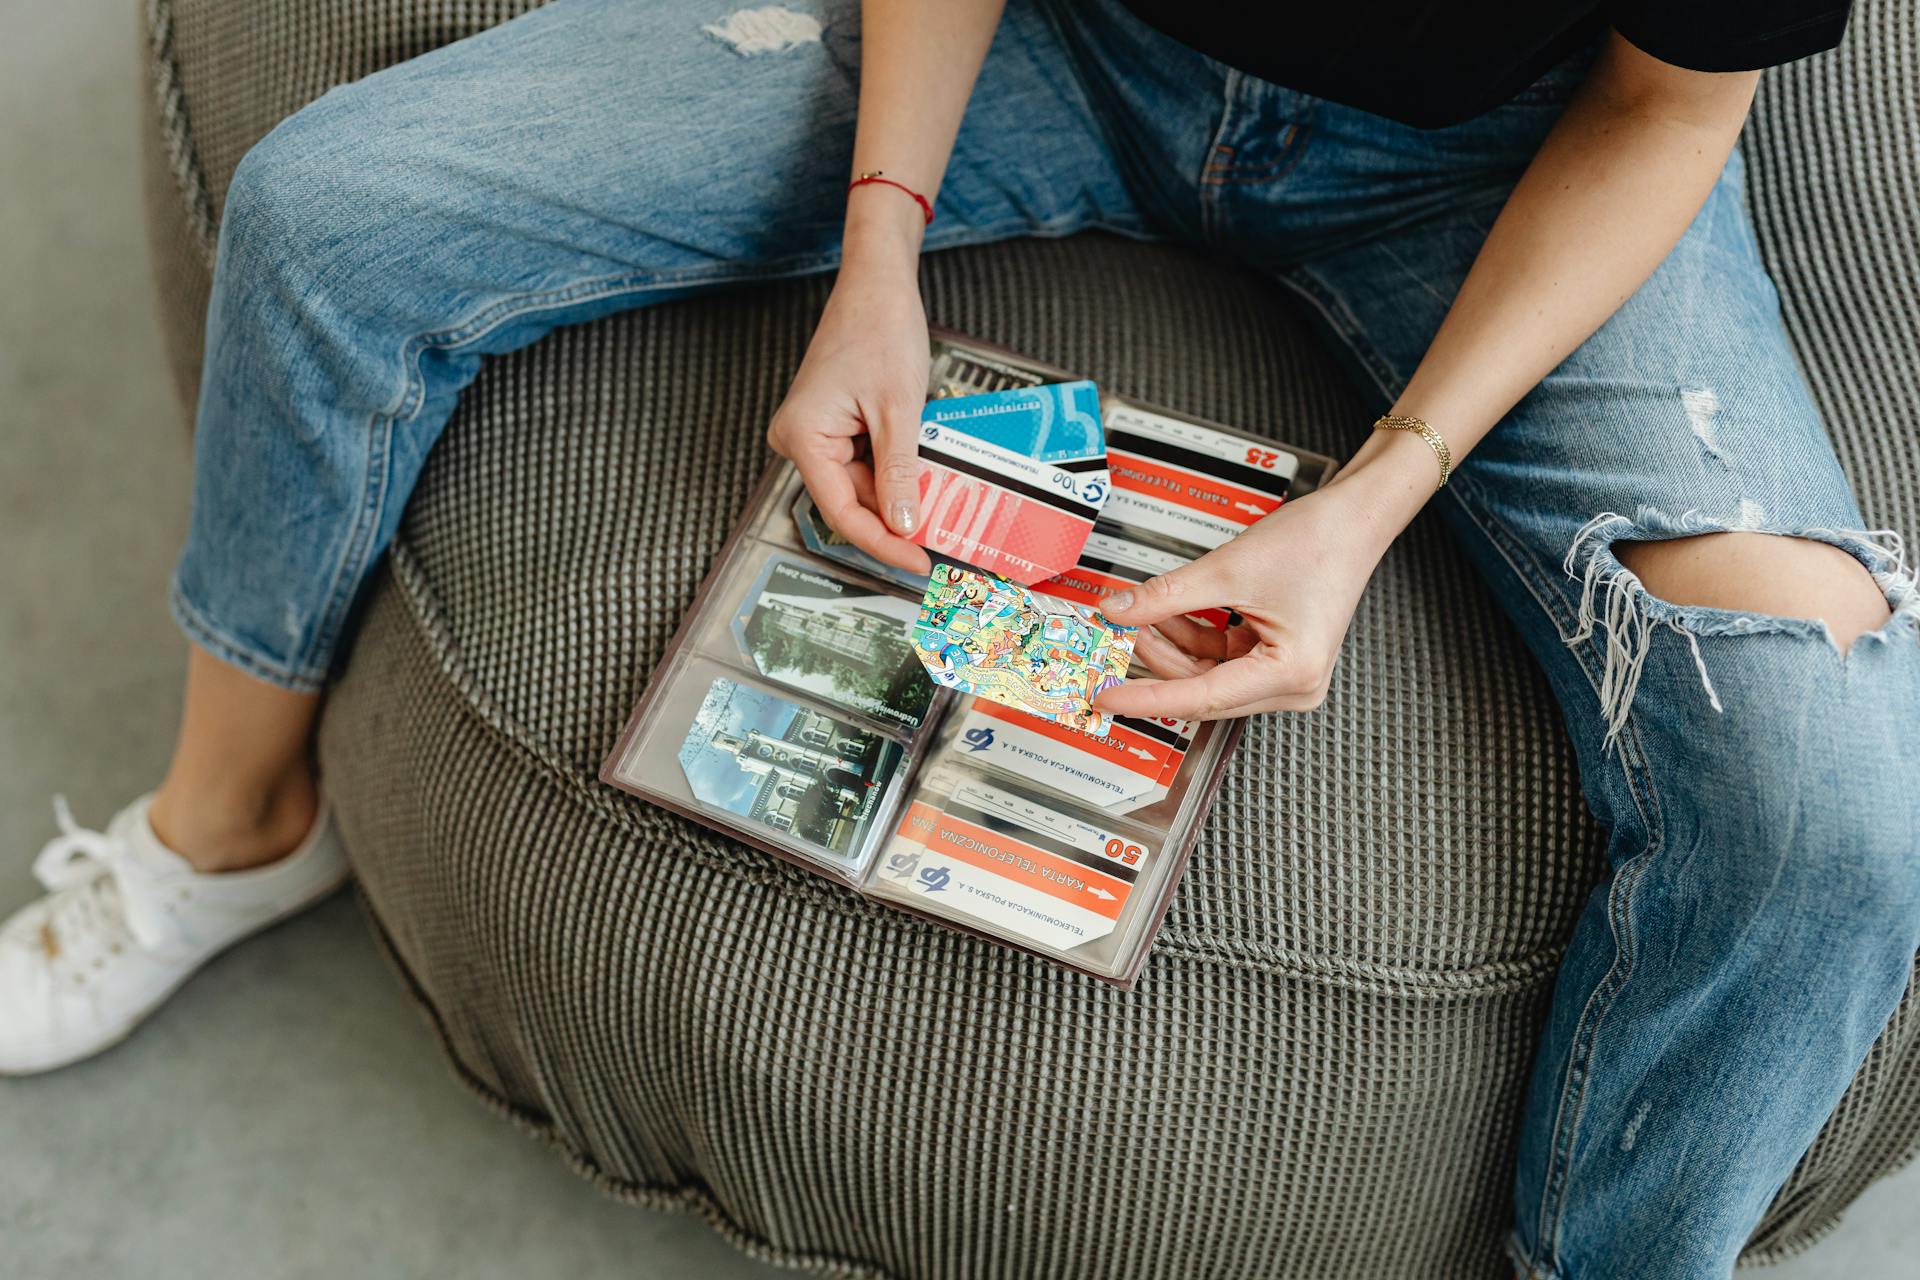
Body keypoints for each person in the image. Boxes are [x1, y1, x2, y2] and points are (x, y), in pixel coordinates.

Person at [4, 0, 1914, 1273]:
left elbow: (1669, 106)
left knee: (1835, 823)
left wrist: (1384, 490)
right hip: (1065, 41)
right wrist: (881, 247)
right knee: (330, 210)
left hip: (1500, 160)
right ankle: (232, 823)